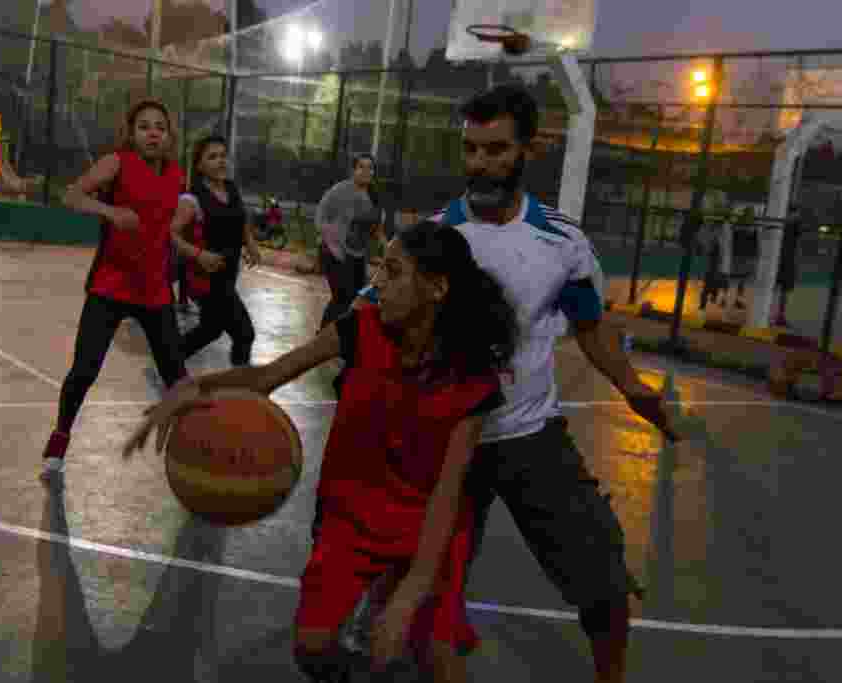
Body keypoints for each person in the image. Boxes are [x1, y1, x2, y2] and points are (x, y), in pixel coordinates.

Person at [353, 84, 681, 683]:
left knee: (602, 580)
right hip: (448, 439)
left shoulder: (561, 242)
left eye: (496, 149)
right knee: (411, 590)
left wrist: (637, 391)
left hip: (531, 436)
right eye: (471, 149)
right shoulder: (431, 240)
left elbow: (590, 329)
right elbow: (367, 319)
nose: (480, 163)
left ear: (528, 148)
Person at [124, 221, 519, 682]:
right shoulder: (359, 329)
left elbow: (449, 495)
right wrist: (190, 388)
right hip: (351, 514)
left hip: (429, 523)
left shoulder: (472, 377)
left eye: (392, 272)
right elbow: (265, 378)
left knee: (441, 659)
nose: (377, 283)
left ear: (436, 288)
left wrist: (412, 592)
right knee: (313, 649)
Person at [39, 99, 188, 480]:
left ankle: (195, 446)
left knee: (177, 377)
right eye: (144, 126)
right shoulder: (117, 163)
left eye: (160, 126)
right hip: (110, 285)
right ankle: (60, 434)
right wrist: (111, 213)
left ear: (169, 135)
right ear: (132, 132)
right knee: (84, 370)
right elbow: (71, 195)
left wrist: (191, 254)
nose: (153, 132)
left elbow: (164, 225)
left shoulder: (175, 175)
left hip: (154, 290)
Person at [169, 135, 261, 367]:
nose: (221, 161)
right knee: (244, 333)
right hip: (204, 280)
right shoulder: (192, 199)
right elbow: (170, 234)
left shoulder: (231, 188)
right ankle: (240, 388)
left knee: (210, 330)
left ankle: (168, 363)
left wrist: (249, 242)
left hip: (227, 275)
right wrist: (199, 254)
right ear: (199, 165)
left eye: (223, 156)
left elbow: (240, 220)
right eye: (213, 157)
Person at [316, 154, 384, 330]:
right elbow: (321, 216)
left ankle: (346, 338)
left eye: (370, 167)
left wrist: (386, 245)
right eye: (361, 167)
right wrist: (329, 239)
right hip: (335, 253)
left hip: (357, 256)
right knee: (342, 297)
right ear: (353, 170)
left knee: (357, 299)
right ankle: (323, 335)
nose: (366, 171)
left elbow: (376, 227)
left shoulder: (374, 196)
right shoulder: (340, 191)